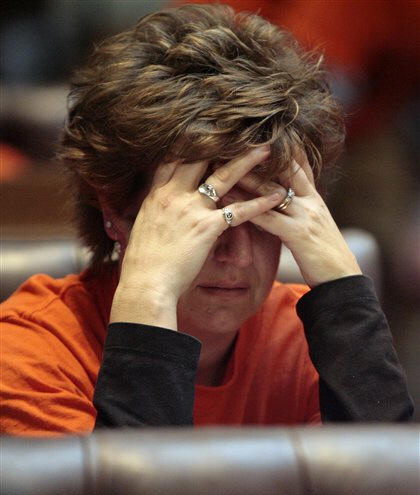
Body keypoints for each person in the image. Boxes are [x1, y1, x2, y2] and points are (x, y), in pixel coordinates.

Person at [1, 4, 413, 436]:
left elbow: (383, 473)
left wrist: (345, 288)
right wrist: (149, 295)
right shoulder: (27, 354)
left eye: (264, 213)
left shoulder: (306, 338)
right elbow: (140, 480)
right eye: (202, 217)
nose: (238, 255)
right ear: (114, 211)